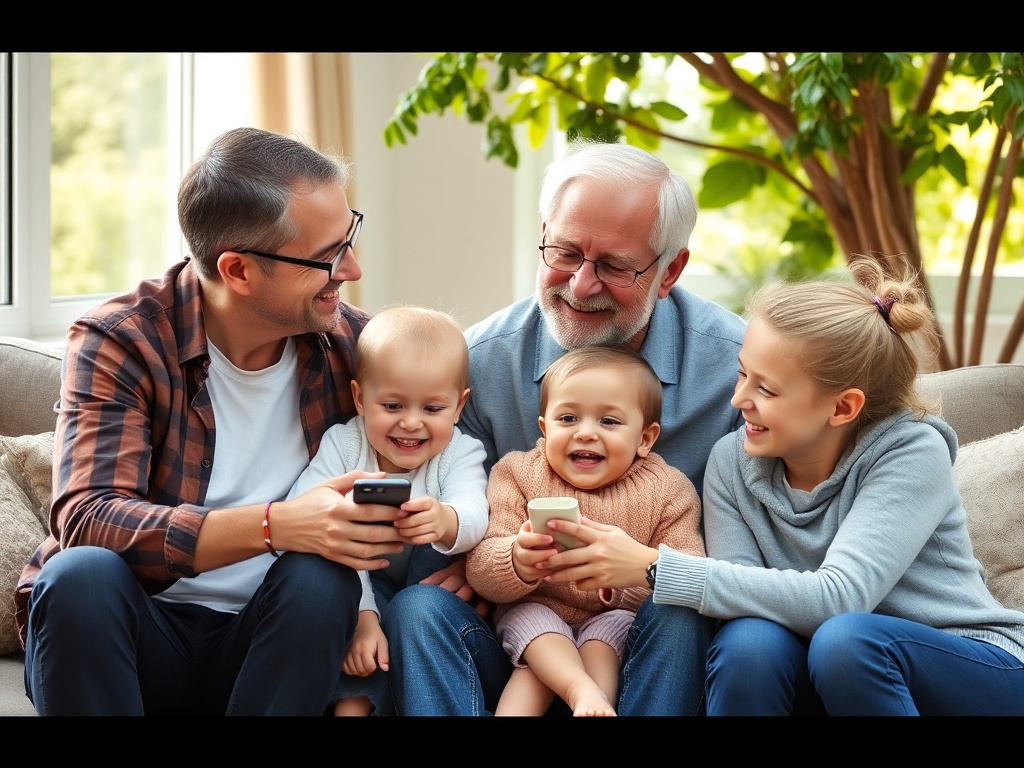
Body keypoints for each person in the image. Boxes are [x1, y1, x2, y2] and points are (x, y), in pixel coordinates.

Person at [13, 126, 412, 716]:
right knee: (78, 576)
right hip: (136, 634)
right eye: (327, 256)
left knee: (321, 580)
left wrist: (465, 560)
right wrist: (278, 525)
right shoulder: (123, 341)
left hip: (271, 643)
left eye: (348, 235)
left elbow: (453, 408)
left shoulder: (357, 348)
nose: (352, 268)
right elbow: (89, 518)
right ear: (239, 271)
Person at [385, 138, 748, 716]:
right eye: (564, 251)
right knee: (418, 610)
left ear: (670, 270)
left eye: (614, 264)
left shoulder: (737, 371)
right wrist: (492, 566)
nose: (580, 284)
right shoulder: (477, 364)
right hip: (516, 629)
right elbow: (450, 551)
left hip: (643, 633)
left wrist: (652, 573)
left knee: (678, 608)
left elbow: (731, 565)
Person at [650, 255, 1024, 715]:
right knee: (749, 641)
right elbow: (740, 599)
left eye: (765, 389)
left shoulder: (911, 452)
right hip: (830, 666)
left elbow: (841, 598)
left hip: (970, 663)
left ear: (843, 408)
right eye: (743, 373)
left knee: (844, 639)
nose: (738, 399)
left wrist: (655, 568)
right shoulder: (732, 461)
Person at [467, 345, 704, 716]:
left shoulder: (669, 490)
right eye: (567, 418)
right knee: (536, 635)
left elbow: (689, 571)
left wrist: (624, 579)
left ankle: (594, 698)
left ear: (645, 438)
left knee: (603, 642)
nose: (586, 433)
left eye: (608, 421)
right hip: (536, 612)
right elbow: (481, 568)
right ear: (544, 428)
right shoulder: (516, 473)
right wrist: (517, 560)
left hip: (614, 625)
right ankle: (581, 690)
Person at [285, 305, 488, 716]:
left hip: (429, 585)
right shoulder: (344, 445)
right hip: (362, 580)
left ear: (459, 406)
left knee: (429, 572)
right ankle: (353, 707)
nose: (411, 423)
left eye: (432, 409)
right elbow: (302, 511)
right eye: (393, 406)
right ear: (360, 398)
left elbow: (476, 513)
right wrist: (362, 617)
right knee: (333, 571)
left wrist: (446, 520)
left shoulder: (459, 452)